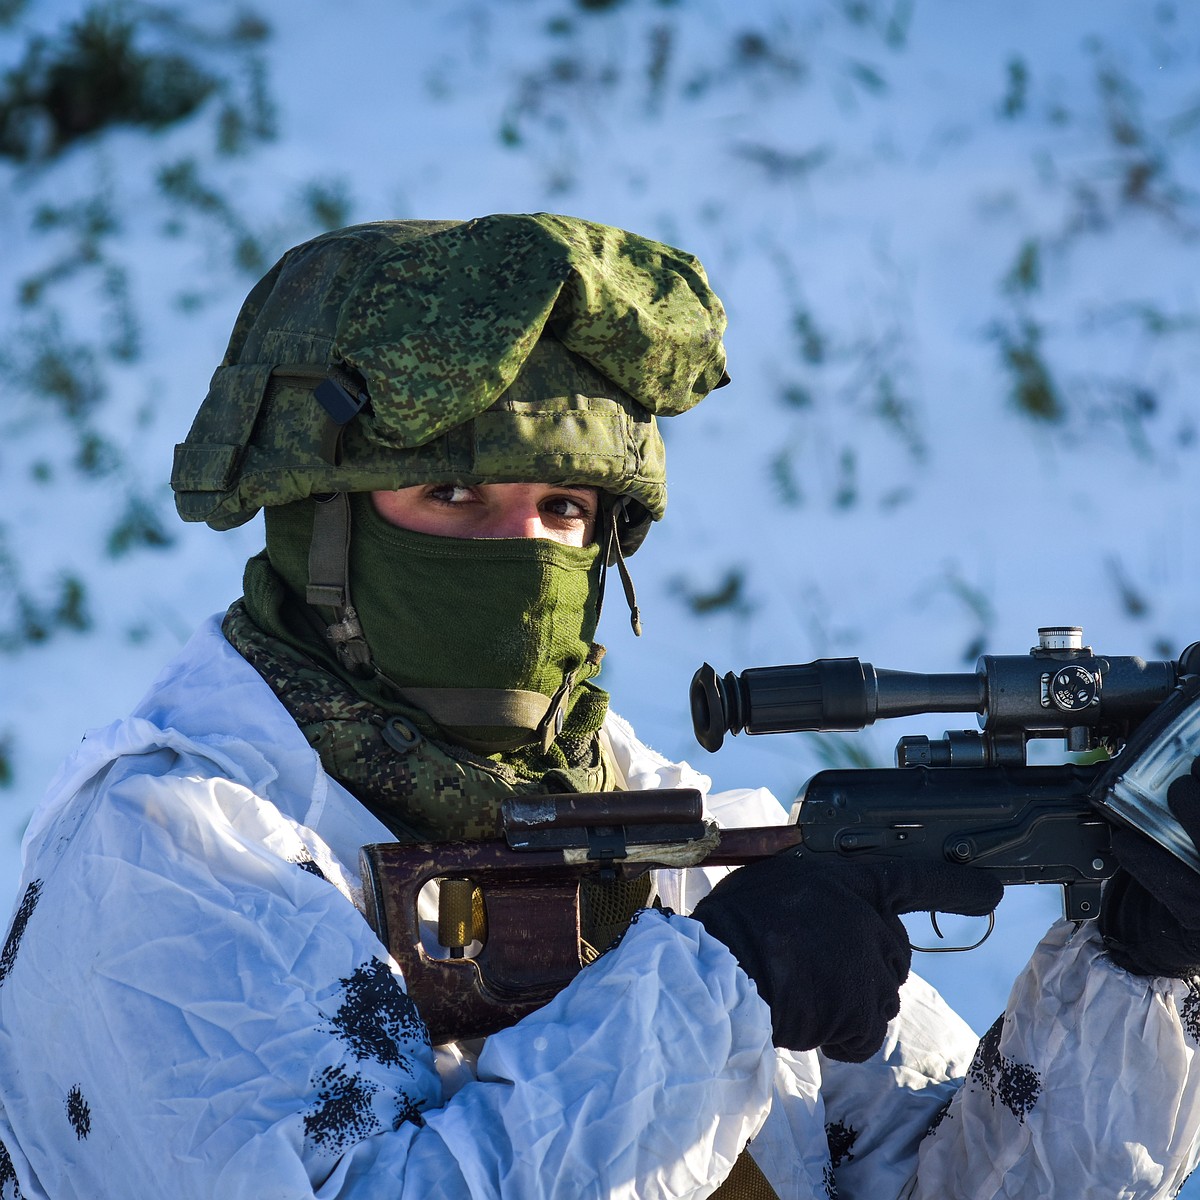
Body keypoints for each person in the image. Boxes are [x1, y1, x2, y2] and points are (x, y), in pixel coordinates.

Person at [0, 213, 1199, 1200]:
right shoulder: (169, 857)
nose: (522, 552)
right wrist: (713, 993)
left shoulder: (668, 845)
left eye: (565, 509)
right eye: (456, 490)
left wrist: (1132, 975)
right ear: (320, 521)